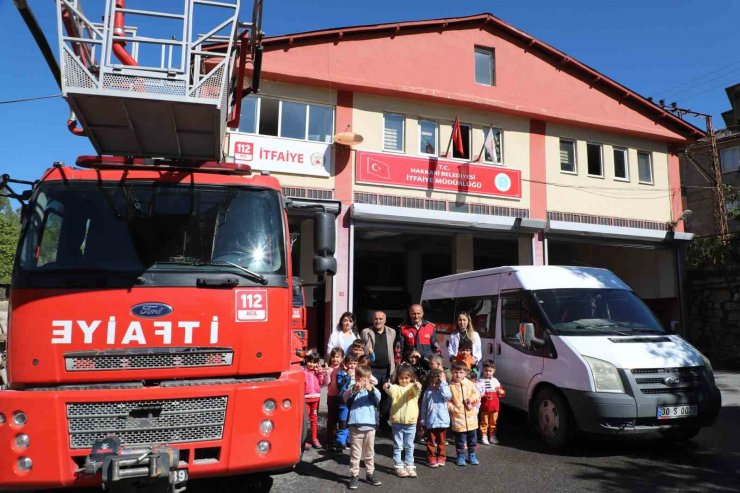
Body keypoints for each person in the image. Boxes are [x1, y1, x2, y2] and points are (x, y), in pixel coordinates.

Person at [342, 365, 383, 489]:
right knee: (355, 453)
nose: (362, 381)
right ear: (356, 378)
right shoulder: (352, 389)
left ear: (369, 378)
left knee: (369, 452)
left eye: (364, 378)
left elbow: (377, 400)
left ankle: (370, 473)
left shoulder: (373, 390)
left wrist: (369, 388)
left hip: (370, 426)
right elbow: (345, 399)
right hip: (355, 426)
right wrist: (354, 389)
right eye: (359, 378)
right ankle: (354, 475)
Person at [383, 365, 422, 478]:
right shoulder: (396, 388)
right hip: (397, 423)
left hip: (411, 422)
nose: (404, 380)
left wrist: (417, 385)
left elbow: (417, 390)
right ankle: (398, 466)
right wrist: (387, 386)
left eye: (406, 378)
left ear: (411, 378)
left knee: (409, 445)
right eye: (401, 378)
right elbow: (390, 389)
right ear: (398, 378)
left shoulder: (412, 388)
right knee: (398, 446)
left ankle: (409, 465)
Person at [360, 311, 396, 426]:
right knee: (371, 395)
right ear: (373, 320)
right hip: (371, 370)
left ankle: (384, 423)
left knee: (386, 397)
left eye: (381, 319)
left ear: (385, 320)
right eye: (376, 319)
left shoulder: (392, 332)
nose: (378, 321)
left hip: (386, 370)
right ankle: (371, 422)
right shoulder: (366, 332)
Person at [448, 361, 481, 466]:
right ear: (452, 372)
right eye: (455, 372)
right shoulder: (450, 386)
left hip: (471, 417)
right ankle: (460, 456)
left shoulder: (470, 384)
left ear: (465, 373)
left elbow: (477, 395)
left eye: (461, 372)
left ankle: (472, 454)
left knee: (472, 439)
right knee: (460, 440)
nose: (458, 375)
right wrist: (453, 408)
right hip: (458, 418)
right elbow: (447, 401)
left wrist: (471, 400)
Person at [420, 369, 452, 468]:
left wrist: (443, 383)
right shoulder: (427, 392)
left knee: (442, 442)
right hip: (431, 421)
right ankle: (431, 457)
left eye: (436, 383)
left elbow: (448, 396)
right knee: (431, 441)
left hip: (442, 421)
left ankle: (441, 457)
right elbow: (424, 407)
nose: (434, 385)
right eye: (432, 382)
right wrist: (423, 420)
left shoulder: (443, 390)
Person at [334, 353, 359, 453]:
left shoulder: (358, 373)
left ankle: (349, 441)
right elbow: (340, 385)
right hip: (344, 402)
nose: (352, 366)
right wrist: (347, 376)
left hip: (354, 401)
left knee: (351, 422)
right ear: (345, 364)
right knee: (343, 422)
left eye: (354, 363)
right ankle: (340, 443)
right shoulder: (341, 374)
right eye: (350, 363)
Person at [303, 351, 328, 448]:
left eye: (314, 362)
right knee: (304, 421)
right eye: (310, 361)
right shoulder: (303, 372)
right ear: (306, 360)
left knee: (314, 419)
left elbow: (322, 383)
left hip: (316, 399)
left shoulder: (318, 372)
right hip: (305, 399)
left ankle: (314, 438)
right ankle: (304, 440)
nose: (312, 364)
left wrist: (320, 372)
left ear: (317, 363)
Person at [477, 360, 504, 445]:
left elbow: (501, 392)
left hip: (495, 406)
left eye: (490, 371)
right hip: (485, 406)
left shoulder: (495, 381)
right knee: (484, 422)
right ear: (483, 370)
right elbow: (478, 394)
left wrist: (501, 392)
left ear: (494, 371)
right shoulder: (480, 381)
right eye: (486, 370)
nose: (488, 373)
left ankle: (492, 436)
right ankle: (484, 436)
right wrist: (485, 396)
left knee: (493, 422)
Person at [324, 347, 345, 446]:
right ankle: (329, 440)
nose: (335, 359)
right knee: (331, 420)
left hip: (341, 397)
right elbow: (327, 383)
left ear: (342, 358)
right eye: (333, 356)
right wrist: (327, 373)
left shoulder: (343, 368)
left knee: (341, 419)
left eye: (338, 357)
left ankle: (339, 439)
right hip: (332, 396)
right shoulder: (329, 369)